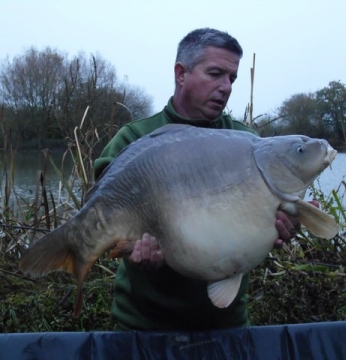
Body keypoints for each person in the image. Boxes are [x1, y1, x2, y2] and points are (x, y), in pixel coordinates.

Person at [94, 28, 300, 331]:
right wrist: (127, 247)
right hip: (142, 325)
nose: (226, 87)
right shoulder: (134, 138)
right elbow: (102, 212)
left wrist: (285, 228)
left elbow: (262, 227)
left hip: (226, 323)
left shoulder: (249, 143)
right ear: (181, 73)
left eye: (232, 78)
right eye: (215, 74)